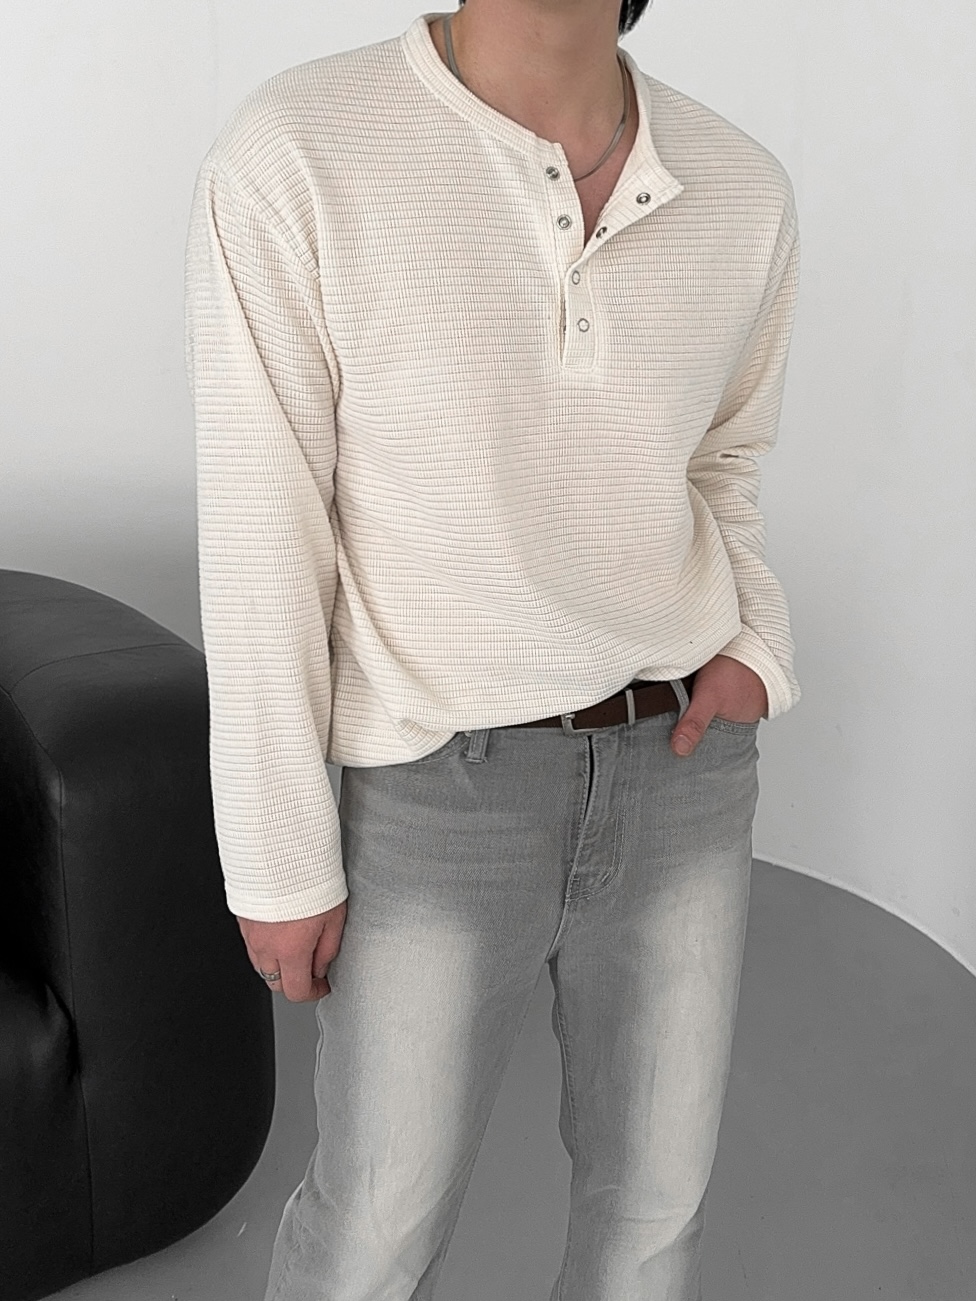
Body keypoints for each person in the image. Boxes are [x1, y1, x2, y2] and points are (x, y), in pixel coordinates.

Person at [183, 0, 801, 1296]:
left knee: (654, 1215)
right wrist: (278, 847)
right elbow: (263, 517)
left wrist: (755, 641)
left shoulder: (742, 187)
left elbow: (726, 463)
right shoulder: (300, 148)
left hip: (683, 771)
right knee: (372, 1233)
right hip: (435, 784)